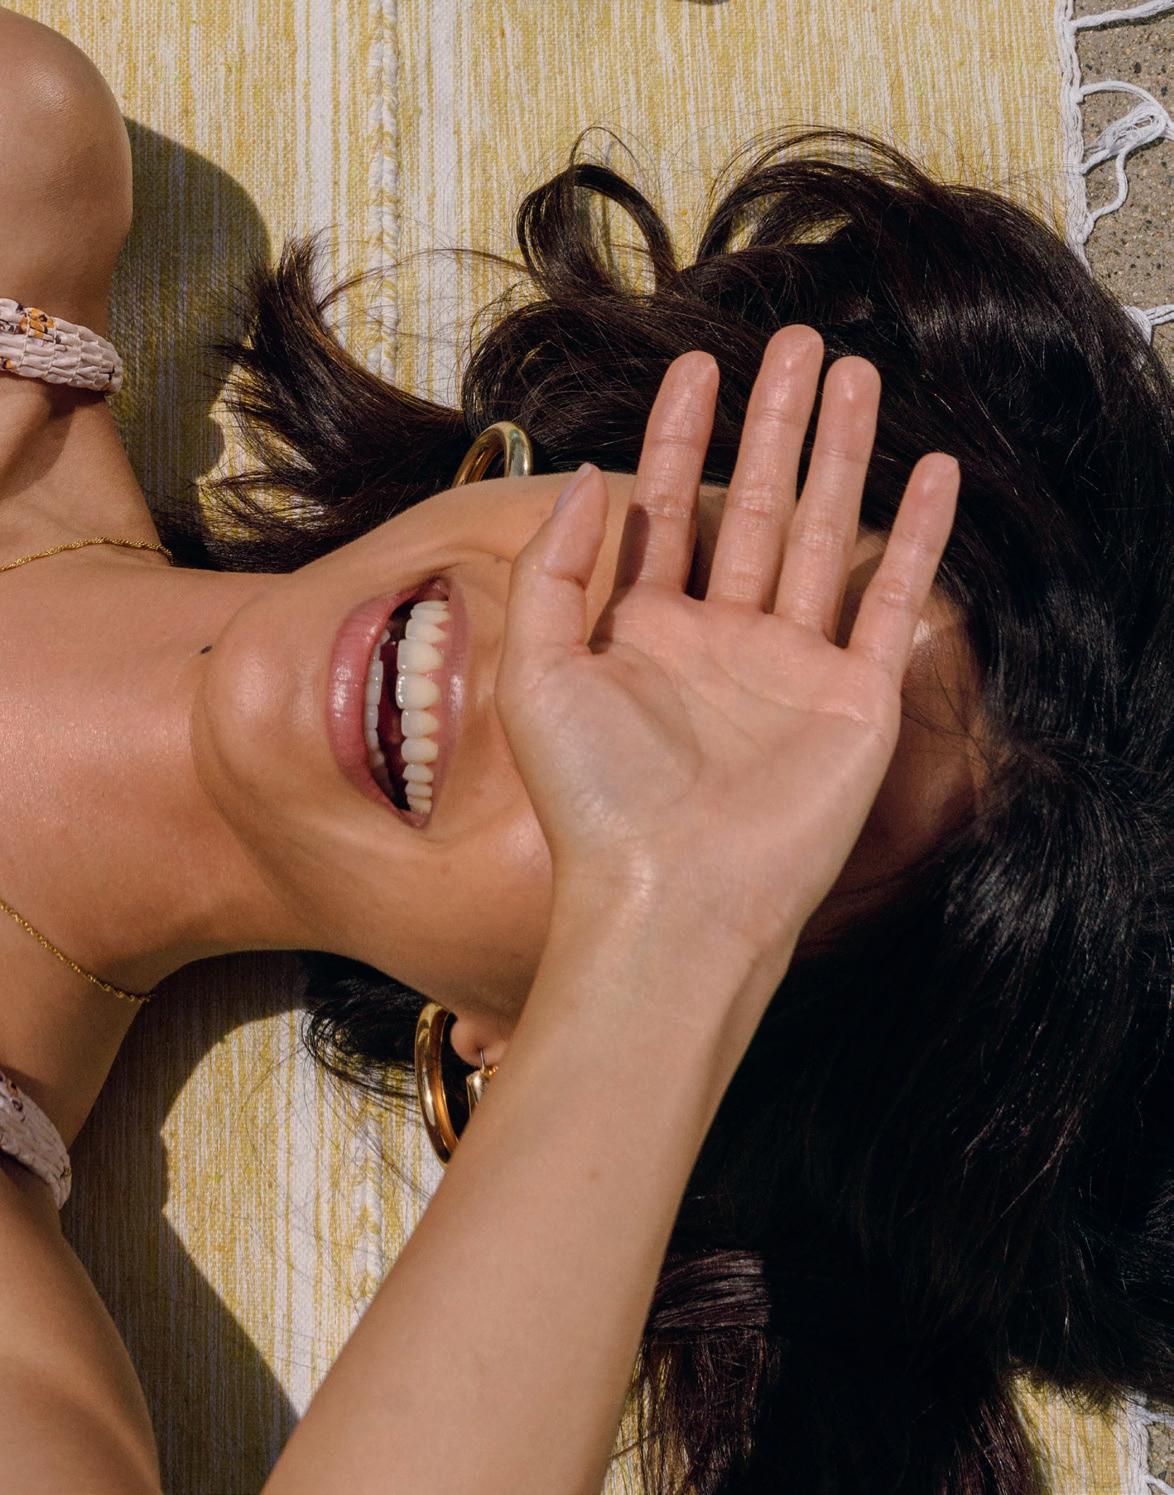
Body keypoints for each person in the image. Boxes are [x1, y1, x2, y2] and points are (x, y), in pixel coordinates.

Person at [0, 10, 1170, 1494]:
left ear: (528, 1045)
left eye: (681, 794)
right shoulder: (21, 149)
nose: (542, 689)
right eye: (711, 583)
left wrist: (670, 937)